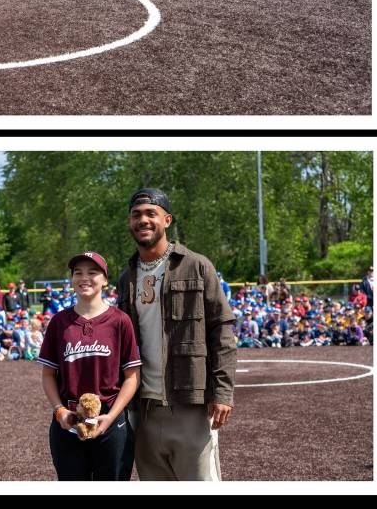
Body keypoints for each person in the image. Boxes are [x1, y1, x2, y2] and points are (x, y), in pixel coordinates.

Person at [115, 188, 236, 481]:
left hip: (189, 406)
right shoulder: (126, 278)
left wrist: (222, 392)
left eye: (150, 214)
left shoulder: (196, 265)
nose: (142, 220)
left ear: (166, 220)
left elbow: (222, 329)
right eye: (136, 215)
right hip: (143, 411)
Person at [41, 251, 140, 481]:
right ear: (72, 279)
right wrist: (59, 411)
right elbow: (48, 374)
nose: (84, 277)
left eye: (92, 272)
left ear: (105, 279)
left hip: (110, 419)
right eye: (78, 273)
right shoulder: (59, 322)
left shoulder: (119, 321)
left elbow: (132, 376)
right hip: (69, 422)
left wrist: (112, 416)